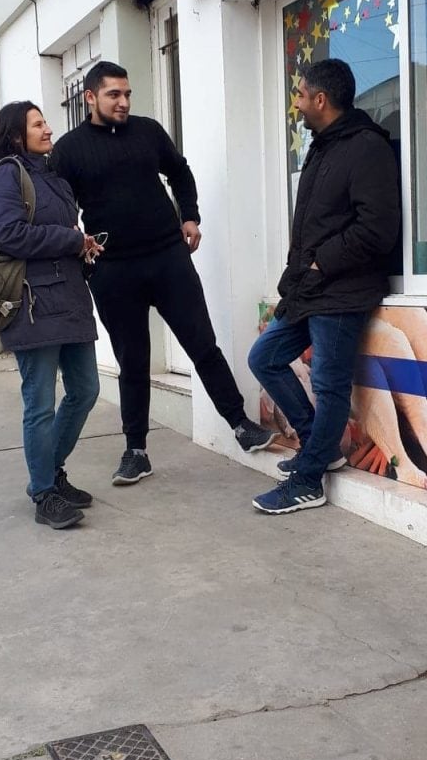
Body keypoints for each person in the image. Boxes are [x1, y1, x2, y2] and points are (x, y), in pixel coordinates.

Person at [52, 60, 273, 484]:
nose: (123, 102)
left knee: (202, 344)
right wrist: (76, 243)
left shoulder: (148, 131)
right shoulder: (69, 149)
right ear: (90, 98)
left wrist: (189, 216)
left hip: (168, 257)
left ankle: (240, 425)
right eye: (114, 94)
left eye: (127, 94)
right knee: (132, 362)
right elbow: (57, 205)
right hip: (114, 270)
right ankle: (136, 451)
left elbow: (180, 171)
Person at [248, 58, 401, 515]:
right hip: (311, 289)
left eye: (299, 94)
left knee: (330, 385)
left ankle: (310, 480)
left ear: (321, 99)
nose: (295, 103)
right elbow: (315, 225)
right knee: (265, 357)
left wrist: (320, 264)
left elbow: (377, 229)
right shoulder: (324, 146)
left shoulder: (367, 148)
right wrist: (296, 281)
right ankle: (321, 446)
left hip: (343, 290)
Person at [0, 101, 103, 530]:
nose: (48, 128)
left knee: (86, 389)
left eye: (45, 121)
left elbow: (62, 234)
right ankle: (43, 492)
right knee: (40, 404)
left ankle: (51, 472)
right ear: (16, 135)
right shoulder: (7, 176)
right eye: (38, 124)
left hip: (69, 298)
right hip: (31, 305)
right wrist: (69, 240)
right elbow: (10, 234)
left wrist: (82, 246)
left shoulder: (52, 177)